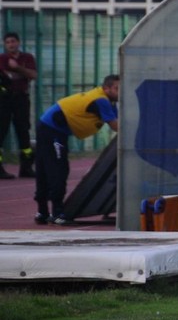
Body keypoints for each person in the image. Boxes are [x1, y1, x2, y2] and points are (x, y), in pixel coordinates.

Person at [34, 75, 120, 225]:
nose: (121, 92)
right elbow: (116, 126)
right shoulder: (101, 100)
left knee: (47, 168)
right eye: (117, 88)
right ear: (106, 88)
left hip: (53, 130)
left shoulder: (107, 100)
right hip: (51, 130)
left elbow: (120, 122)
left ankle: (43, 212)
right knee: (57, 170)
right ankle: (57, 214)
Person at [0, 32, 38, 178]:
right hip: (4, 99)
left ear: (18, 42)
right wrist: (21, 74)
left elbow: (33, 75)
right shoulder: (2, 58)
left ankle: (26, 167)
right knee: (1, 131)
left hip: (21, 98)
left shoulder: (27, 58)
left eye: (13, 41)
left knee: (23, 131)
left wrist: (17, 68)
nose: (11, 44)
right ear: (5, 44)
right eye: (8, 42)